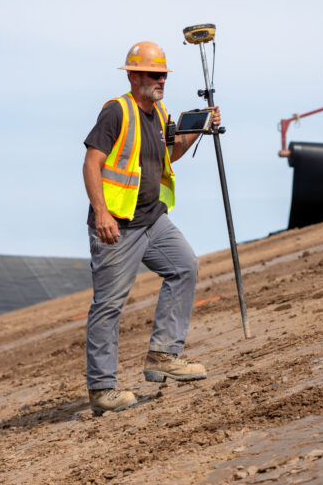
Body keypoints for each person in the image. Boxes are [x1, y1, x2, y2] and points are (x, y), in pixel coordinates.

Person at [82, 40, 220, 415]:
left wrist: (200, 128)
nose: (161, 81)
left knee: (184, 265)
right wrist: (102, 213)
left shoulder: (160, 114)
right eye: (155, 75)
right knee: (108, 305)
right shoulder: (117, 112)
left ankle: (163, 354)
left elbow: (167, 153)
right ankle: (102, 389)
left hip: (152, 219)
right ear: (134, 75)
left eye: (164, 75)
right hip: (117, 225)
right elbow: (91, 164)